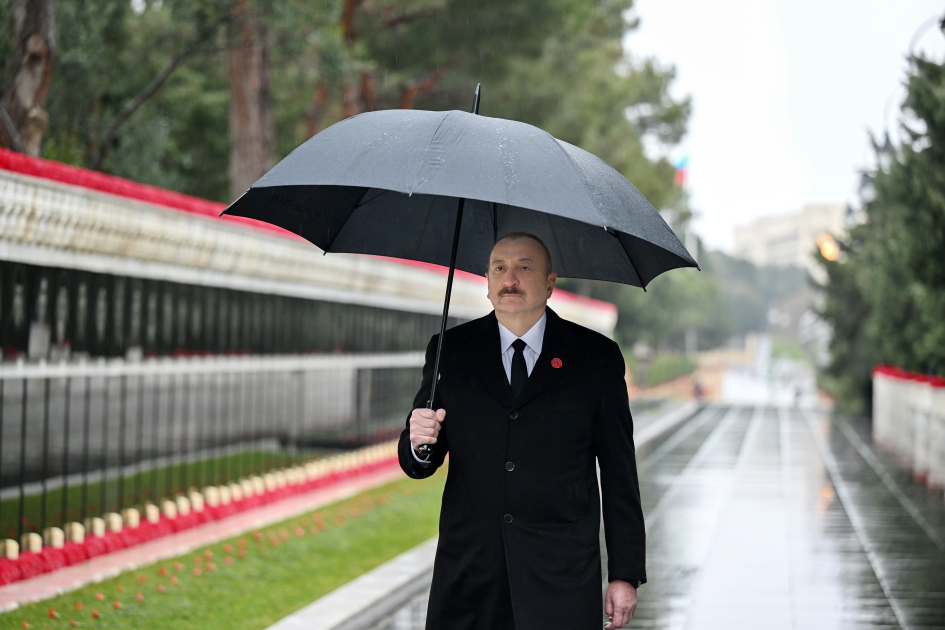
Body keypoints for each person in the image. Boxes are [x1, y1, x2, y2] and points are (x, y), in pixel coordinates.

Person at [397, 232, 646, 630]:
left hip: (560, 579)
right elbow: (421, 461)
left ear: (550, 282)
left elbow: (619, 474)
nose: (509, 279)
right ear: (487, 281)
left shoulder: (595, 358)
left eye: (524, 267)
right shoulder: (450, 350)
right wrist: (417, 442)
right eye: (499, 268)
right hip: (468, 579)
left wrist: (624, 574)